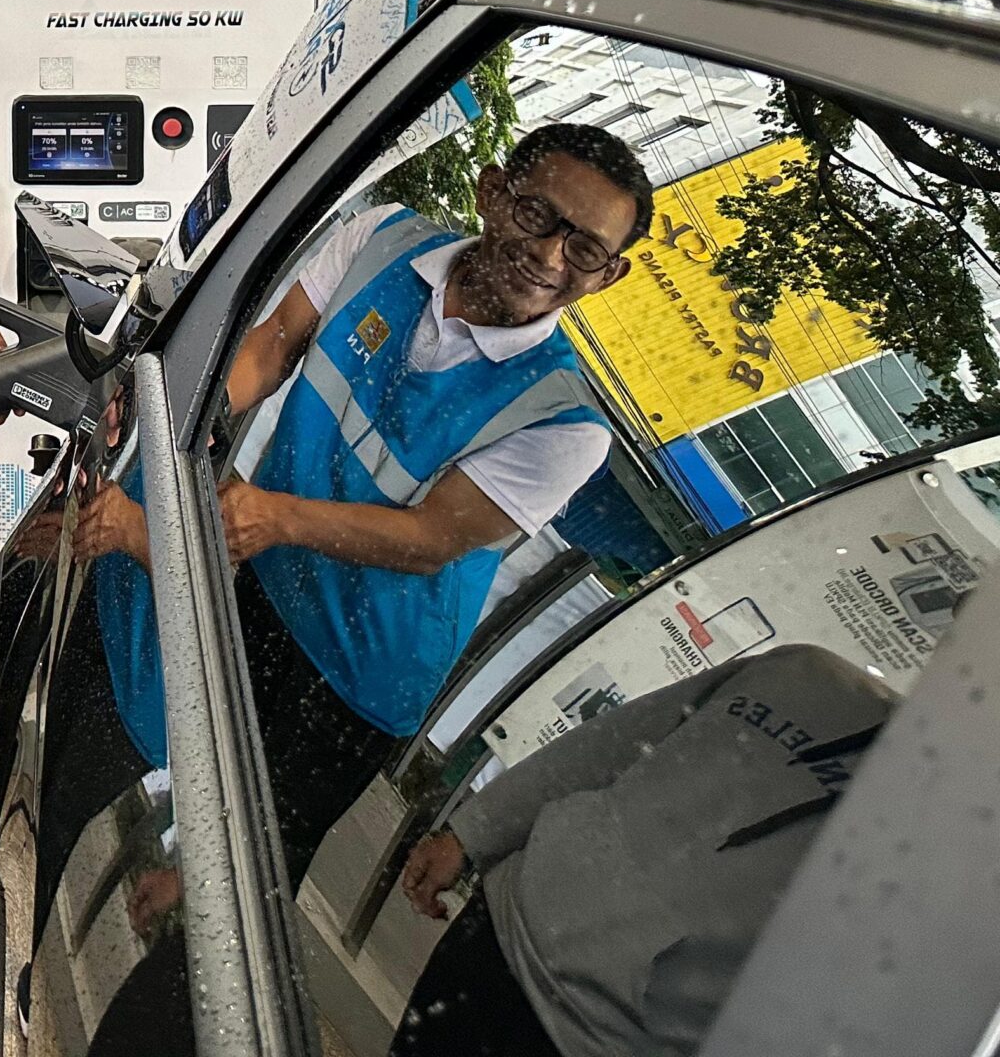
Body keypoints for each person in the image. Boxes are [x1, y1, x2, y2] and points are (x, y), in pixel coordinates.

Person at [81, 122, 654, 883]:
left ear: (607, 274)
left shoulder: (563, 422)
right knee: (151, 762)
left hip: (353, 684)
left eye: (584, 249)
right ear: (492, 193)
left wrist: (274, 516)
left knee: (240, 881)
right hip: (266, 588)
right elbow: (269, 347)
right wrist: (175, 419)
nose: (550, 255)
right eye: (537, 215)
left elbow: (428, 539)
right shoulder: (382, 240)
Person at [394, 643, 895, 1057]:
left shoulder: (939, 863)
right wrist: (475, 832)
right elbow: (615, 741)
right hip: (503, 932)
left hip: (601, 1039)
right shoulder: (806, 673)